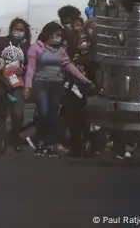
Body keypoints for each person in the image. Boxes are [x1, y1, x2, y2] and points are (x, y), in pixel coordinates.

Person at [25, 21, 93, 157]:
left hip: (56, 84)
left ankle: (46, 144)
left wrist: (85, 80)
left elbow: (70, 66)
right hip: (41, 83)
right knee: (44, 113)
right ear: (48, 35)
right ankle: (37, 139)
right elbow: (31, 69)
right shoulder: (36, 48)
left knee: (53, 115)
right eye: (56, 35)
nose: (59, 38)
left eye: (60, 35)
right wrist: (28, 86)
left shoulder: (61, 51)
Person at [0, 17, 30, 153]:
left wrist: (23, 69)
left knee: (18, 114)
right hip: (1, 82)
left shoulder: (26, 46)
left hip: (17, 83)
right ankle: (0, 141)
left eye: (21, 30)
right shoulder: (2, 42)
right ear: (11, 29)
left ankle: (15, 136)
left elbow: (31, 64)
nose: (18, 32)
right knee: (1, 114)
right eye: (16, 29)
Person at [63, 16, 95, 157]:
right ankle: (76, 145)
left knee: (85, 118)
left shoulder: (93, 48)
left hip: (88, 88)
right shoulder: (69, 47)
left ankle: (88, 145)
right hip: (71, 87)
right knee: (72, 117)